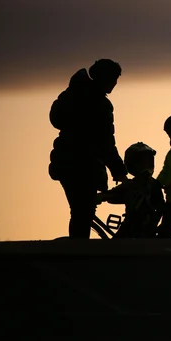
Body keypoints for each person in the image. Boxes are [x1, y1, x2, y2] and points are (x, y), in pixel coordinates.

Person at [48, 59, 128, 239]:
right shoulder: (99, 103)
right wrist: (119, 172)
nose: (115, 84)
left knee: (79, 210)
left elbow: (55, 119)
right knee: (83, 212)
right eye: (113, 79)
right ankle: (80, 255)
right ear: (105, 78)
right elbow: (106, 142)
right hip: (84, 165)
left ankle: (78, 252)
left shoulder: (73, 93)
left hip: (64, 161)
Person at [96, 142, 165, 238]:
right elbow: (113, 195)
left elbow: (112, 195)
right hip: (139, 228)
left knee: (112, 248)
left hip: (134, 228)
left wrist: (101, 197)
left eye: (148, 161)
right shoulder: (137, 184)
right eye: (142, 162)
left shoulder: (144, 185)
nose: (145, 165)